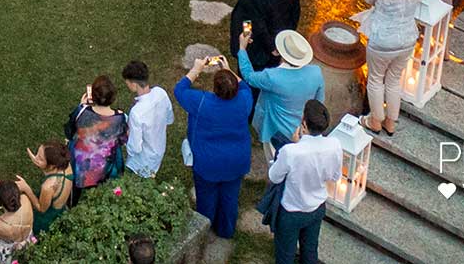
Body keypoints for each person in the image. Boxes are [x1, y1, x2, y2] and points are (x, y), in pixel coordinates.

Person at [175, 53, 254, 243]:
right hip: (236, 161)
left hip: (207, 162)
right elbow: (244, 86)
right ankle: (226, 230)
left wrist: (196, 69)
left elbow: (180, 90)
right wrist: (227, 70)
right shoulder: (245, 99)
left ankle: (204, 230)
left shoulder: (202, 102)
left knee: (206, 197)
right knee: (230, 198)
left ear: (214, 88)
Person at [361, 0, 425, 135]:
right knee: (394, 81)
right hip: (406, 39)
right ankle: (391, 122)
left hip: (382, 41)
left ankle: (375, 120)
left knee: (375, 80)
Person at [269, 99, 343, 264]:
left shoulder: (290, 151)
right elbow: (335, 176)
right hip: (317, 208)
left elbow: (274, 176)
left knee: (285, 255)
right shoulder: (335, 145)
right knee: (310, 251)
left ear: (304, 124)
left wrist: (294, 145)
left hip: (291, 211)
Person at [238, 25, 325, 154]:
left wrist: (242, 49)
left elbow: (249, 76)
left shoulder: (272, 77)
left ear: (282, 53)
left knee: (275, 160)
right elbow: (319, 102)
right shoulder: (316, 72)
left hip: (276, 131)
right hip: (303, 129)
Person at [66, 76, 128, 190]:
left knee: (77, 193)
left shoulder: (81, 111)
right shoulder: (120, 118)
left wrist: (81, 106)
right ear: (112, 97)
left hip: (81, 165)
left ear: (92, 96)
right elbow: (123, 140)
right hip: (104, 167)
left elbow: (69, 132)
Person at [121, 61, 172, 179]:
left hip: (141, 162)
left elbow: (135, 148)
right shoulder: (161, 93)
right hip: (159, 149)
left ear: (134, 85)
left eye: (127, 83)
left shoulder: (136, 113)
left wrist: (126, 136)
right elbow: (169, 119)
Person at [27, 141, 73, 234]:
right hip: (61, 207)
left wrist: (26, 189)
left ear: (51, 165)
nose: (36, 157)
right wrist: (38, 162)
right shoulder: (66, 166)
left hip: (47, 218)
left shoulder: (47, 187)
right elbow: (50, 171)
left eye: (40, 158)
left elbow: (41, 209)